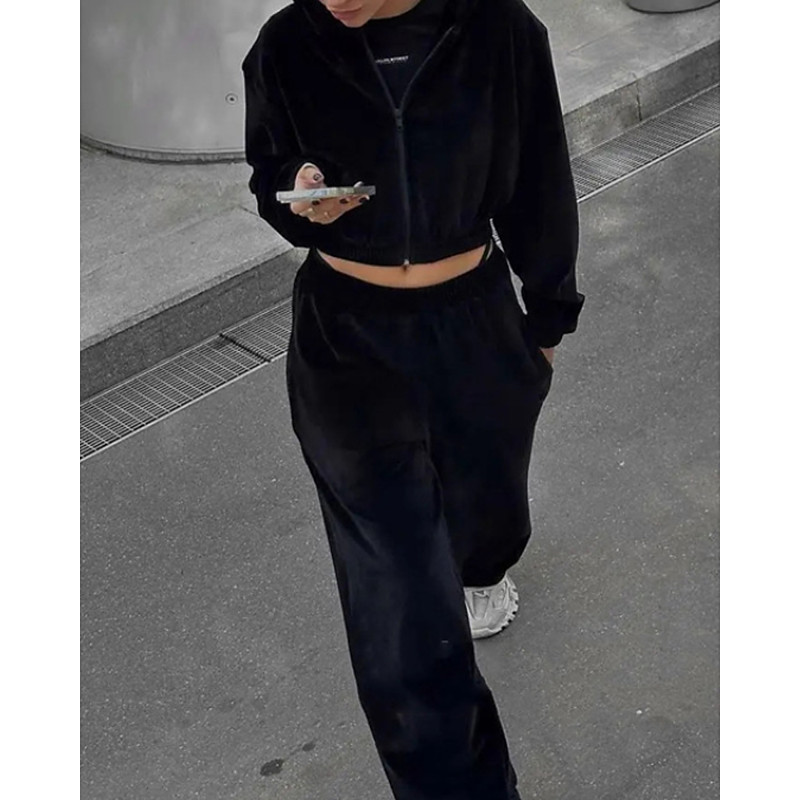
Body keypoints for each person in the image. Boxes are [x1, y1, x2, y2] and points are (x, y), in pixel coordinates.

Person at [242, 0, 584, 797]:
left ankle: (480, 565)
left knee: (486, 504)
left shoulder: (498, 28)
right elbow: (269, 172)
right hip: (347, 342)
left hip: (475, 321)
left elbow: (540, 174)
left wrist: (547, 315)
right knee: (401, 608)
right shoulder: (287, 44)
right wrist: (297, 192)